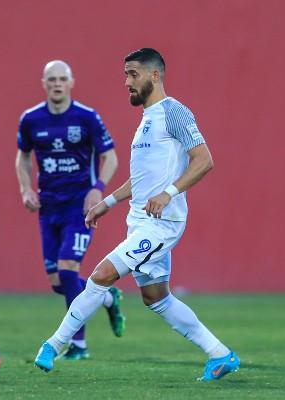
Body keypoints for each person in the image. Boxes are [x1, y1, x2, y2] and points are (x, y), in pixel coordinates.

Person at [34, 48, 240, 381]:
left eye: (133, 74)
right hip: (140, 222)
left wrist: (169, 193)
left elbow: (204, 160)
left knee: (101, 275)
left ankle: (54, 345)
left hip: (162, 224)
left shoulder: (174, 112)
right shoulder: (147, 119)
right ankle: (220, 354)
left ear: (154, 75)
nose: (127, 82)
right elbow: (142, 178)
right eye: (125, 75)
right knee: (156, 298)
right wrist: (107, 202)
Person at [16, 60, 125, 360]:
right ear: (44, 83)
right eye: (51, 79)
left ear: (71, 82)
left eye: (62, 79)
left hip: (79, 207)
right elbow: (22, 156)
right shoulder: (31, 119)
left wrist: (97, 188)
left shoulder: (86, 117)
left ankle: (78, 345)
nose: (57, 84)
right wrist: (25, 188)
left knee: (67, 270)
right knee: (57, 283)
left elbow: (111, 157)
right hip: (48, 206)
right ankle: (106, 297)